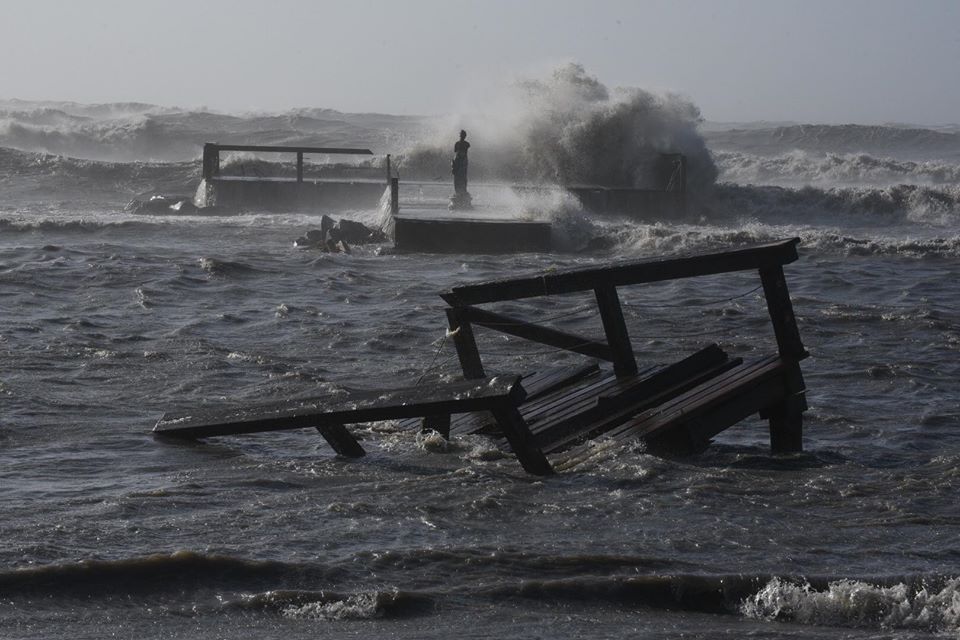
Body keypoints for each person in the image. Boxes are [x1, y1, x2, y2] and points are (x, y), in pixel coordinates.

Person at [450, 130, 472, 209]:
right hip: (458, 160)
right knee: (457, 177)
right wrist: (453, 164)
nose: (462, 136)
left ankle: (463, 191)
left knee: (463, 177)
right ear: (460, 135)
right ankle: (458, 192)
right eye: (461, 135)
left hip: (463, 161)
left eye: (463, 135)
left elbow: (459, 152)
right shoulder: (457, 144)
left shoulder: (467, 144)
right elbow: (455, 153)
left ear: (465, 136)